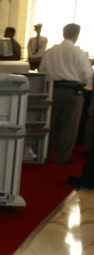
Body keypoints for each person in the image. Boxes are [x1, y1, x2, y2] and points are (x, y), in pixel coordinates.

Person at [40, 23, 94, 164]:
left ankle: (46, 153)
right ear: (76, 35)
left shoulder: (51, 51)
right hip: (72, 91)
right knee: (69, 126)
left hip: (53, 90)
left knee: (50, 124)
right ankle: (62, 157)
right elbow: (87, 75)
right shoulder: (78, 52)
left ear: (63, 33)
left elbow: (42, 71)